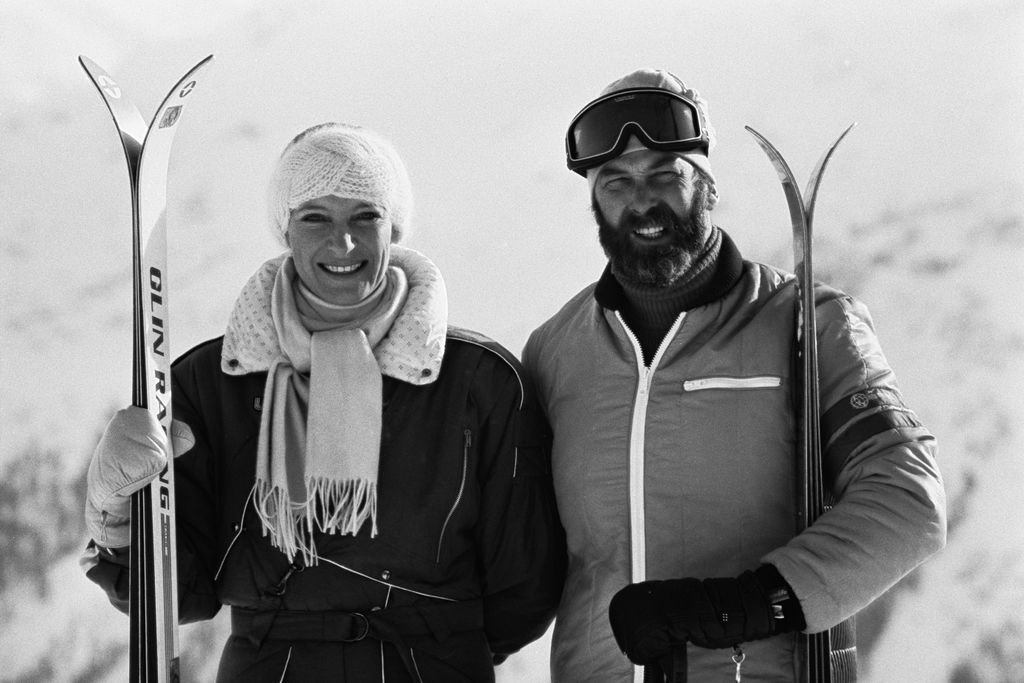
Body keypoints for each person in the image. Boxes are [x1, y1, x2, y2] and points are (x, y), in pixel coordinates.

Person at [81, 122, 566, 682]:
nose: (344, 243)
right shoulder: (214, 381)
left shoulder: (480, 380)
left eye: (367, 216)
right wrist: (115, 516)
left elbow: (526, 584)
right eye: (316, 217)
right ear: (285, 230)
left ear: (395, 228)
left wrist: (439, 643)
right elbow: (177, 594)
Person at [522, 68, 946, 682]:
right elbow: (522, 556)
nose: (641, 201)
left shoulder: (810, 327)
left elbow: (908, 501)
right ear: (593, 202)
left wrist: (746, 606)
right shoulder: (555, 354)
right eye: (616, 183)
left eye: (666, 176)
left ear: (709, 188)